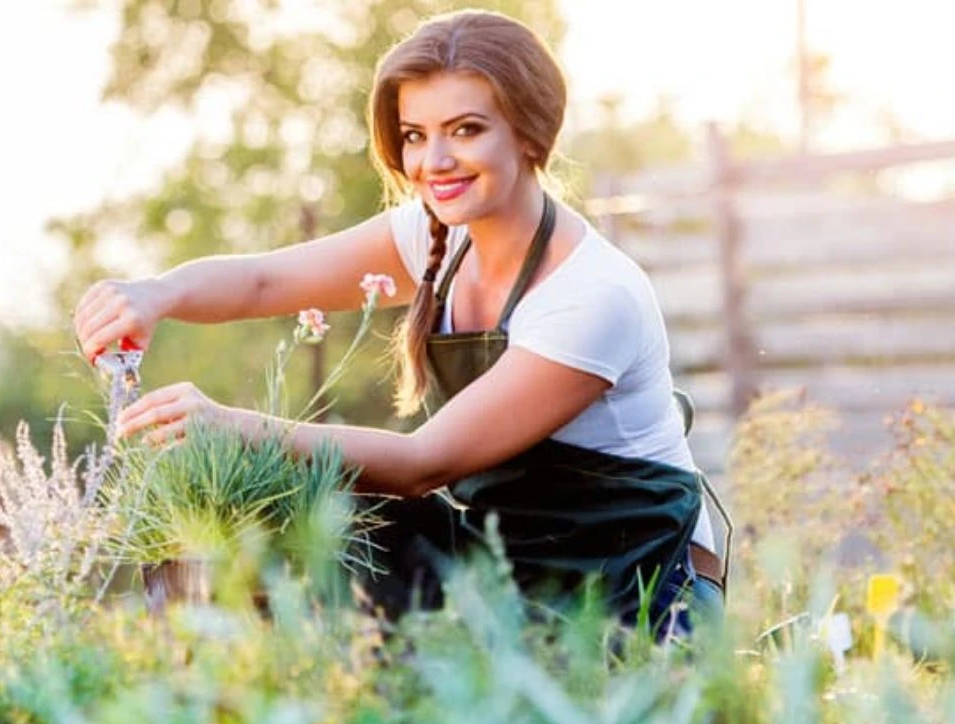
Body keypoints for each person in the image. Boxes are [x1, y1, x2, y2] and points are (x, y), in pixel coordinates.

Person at [73, 10, 725, 633]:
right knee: (299, 506)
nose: (433, 161)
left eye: (466, 129)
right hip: (505, 560)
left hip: (633, 592)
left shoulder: (592, 295)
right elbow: (264, 280)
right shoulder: (436, 235)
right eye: (415, 134)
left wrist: (230, 424)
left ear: (531, 132)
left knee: (337, 487)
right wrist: (156, 293)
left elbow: (423, 462)